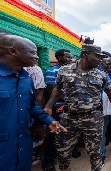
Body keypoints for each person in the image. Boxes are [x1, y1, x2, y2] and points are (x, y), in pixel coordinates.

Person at [44, 44, 111, 171]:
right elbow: (57, 90)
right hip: (69, 118)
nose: (100, 60)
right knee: (63, 150)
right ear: (86, 54)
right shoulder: (65, 70)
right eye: (97, 56)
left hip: (93, 119)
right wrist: (48, 106)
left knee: (95, 151)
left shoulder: (101, 74)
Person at [0, 35, 65, 171]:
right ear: (13, 52)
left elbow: (31, 105)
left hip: (23, 147)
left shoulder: (25, 77)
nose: (37, 57)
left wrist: (48, 120)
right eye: (32, 52)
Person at [43, 49, 79, 171]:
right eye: (67, 57)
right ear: (59, 58)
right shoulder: (52, 71)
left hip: (71, 108)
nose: (70, 60)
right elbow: (52, 90)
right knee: (55, 133)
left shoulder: (75, 71)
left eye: (71, 57)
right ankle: (49, 161)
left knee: (70, 131)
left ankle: (70, 151)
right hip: (58, 107)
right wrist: (71, 98)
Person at [24, 64, 47, 166]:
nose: (36, 57)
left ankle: (33, 156)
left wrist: (39, 120)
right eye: (31, 53)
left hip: (28, 112)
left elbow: (38, 96)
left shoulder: (34, 69)